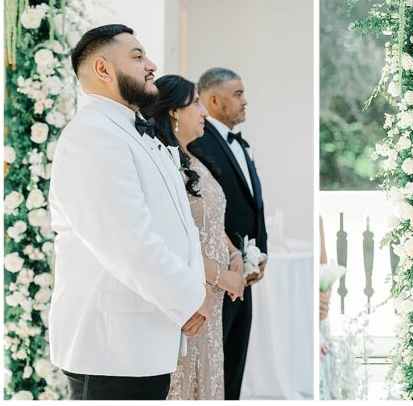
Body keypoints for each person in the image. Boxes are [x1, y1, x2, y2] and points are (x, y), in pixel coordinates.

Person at [48, 24, 209, 400]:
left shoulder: (131, 133)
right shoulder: (92, 136)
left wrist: (192, 291)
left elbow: (178, 225)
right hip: (111, 349)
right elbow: (128, 241)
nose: (151, 64)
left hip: (144, 339)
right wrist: (189, 299)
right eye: (137, 57)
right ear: (102, 69)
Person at [141, 75, 248, 400]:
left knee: (210, 381)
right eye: (195, 104)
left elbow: (213, 221)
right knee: (186, 382)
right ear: (174, 111)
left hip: (214, 297)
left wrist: (236, 256)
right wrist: (221, 277)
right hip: (191, 297)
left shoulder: (193, 160)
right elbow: (169, 241)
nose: (203, 112)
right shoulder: (161, 164)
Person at [191, 67, 268, 399]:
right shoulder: (197, 142)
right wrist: (230, 261)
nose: (245, 101)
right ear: (213, 99)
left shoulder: (242, 144)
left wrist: (258, 254)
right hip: (217, 273)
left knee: (235, 359)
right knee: (215, 363)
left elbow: (252, 204)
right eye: (237, 94)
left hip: (244, 272)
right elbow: (204, 208)